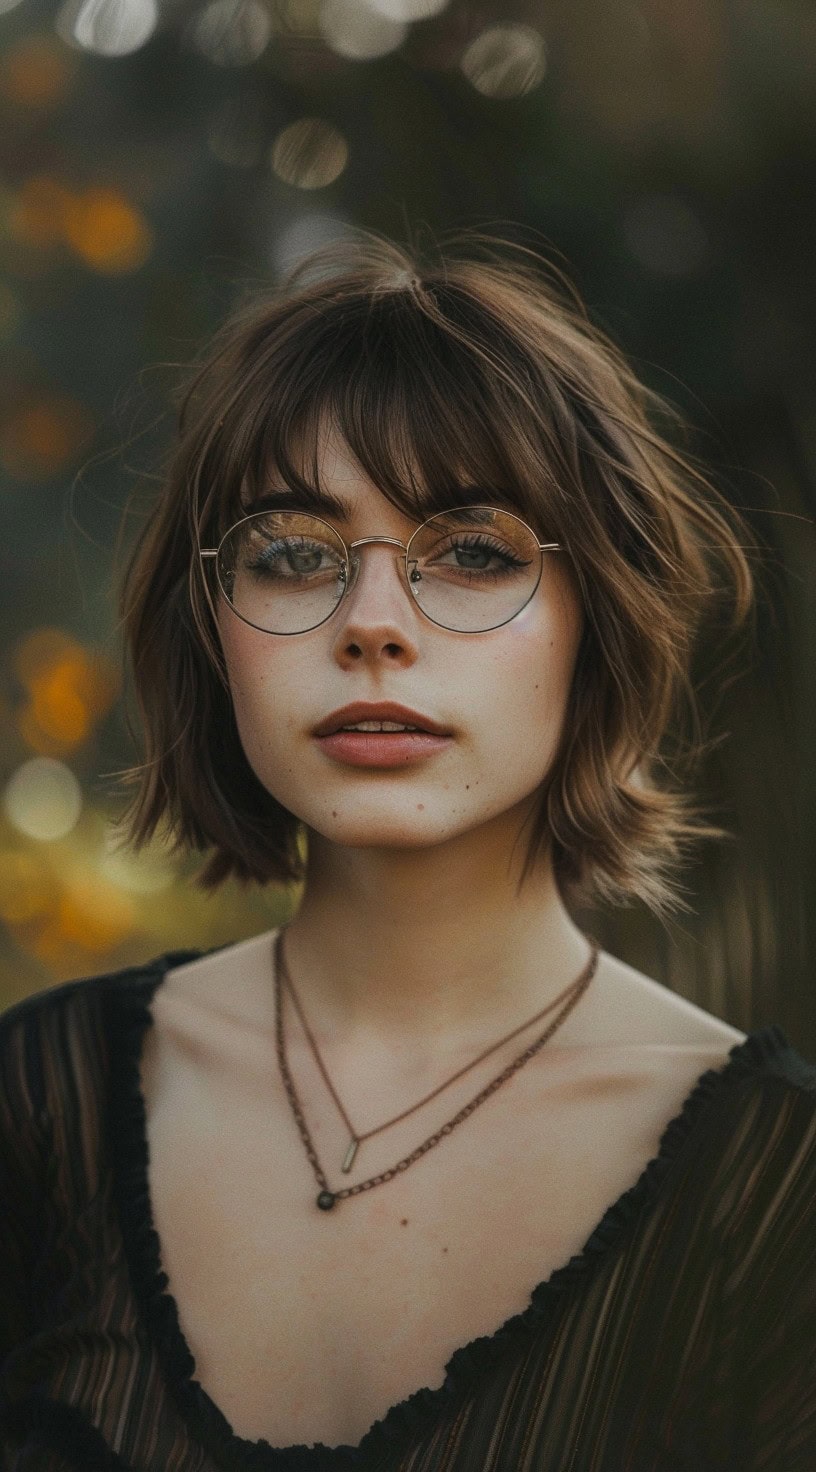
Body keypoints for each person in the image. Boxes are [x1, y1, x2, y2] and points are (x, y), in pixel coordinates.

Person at [1, 232, 814, 1472]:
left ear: (596, 614)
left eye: (474, 551)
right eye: (292, 553)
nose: (373, 623)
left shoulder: (774, 1193)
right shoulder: (33, 1108)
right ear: (214, 629)